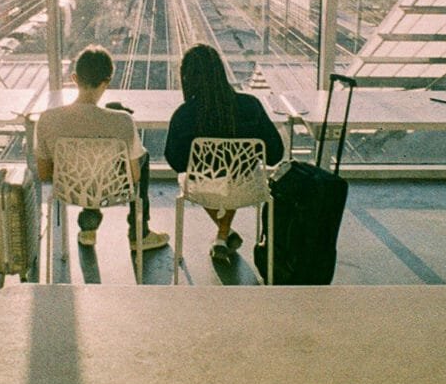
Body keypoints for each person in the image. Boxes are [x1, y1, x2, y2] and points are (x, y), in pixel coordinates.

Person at [34, 45, 169, 252]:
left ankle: (88, 227)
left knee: (88, 161)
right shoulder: (123, 121)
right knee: (142, 158)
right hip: (112, 188)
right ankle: (139, 233)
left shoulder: (47, 119)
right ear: (107, 81)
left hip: (69, 189)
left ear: (74, 78)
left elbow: (44, 173)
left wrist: (76, 174)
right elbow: (133, 177)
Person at [165, 43, 285, 265]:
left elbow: (177, 162)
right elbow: (276, 153)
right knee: (230, 180)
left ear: (187, 77)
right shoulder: (251, 105)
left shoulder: (184, 115)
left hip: (204, 188)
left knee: (207, 180)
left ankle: (224, 234)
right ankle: (223, 235)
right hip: (245, 187)